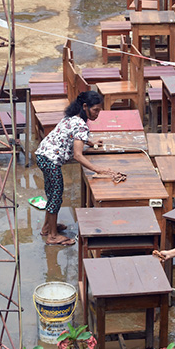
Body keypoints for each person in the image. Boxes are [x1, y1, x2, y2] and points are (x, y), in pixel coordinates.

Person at [35, 91, 115, 246]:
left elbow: (72, 137)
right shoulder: (81, 125)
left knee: (52, 195)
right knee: (56, 197)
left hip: (42, 155)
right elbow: (78, 155)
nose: (97, 114)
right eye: (95, 110)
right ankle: (52, 236)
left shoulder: (72, 118)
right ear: (85, 106)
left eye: (99, 110)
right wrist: (97, 169)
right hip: (51, 161)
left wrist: (89, 142)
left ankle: (47, 227)